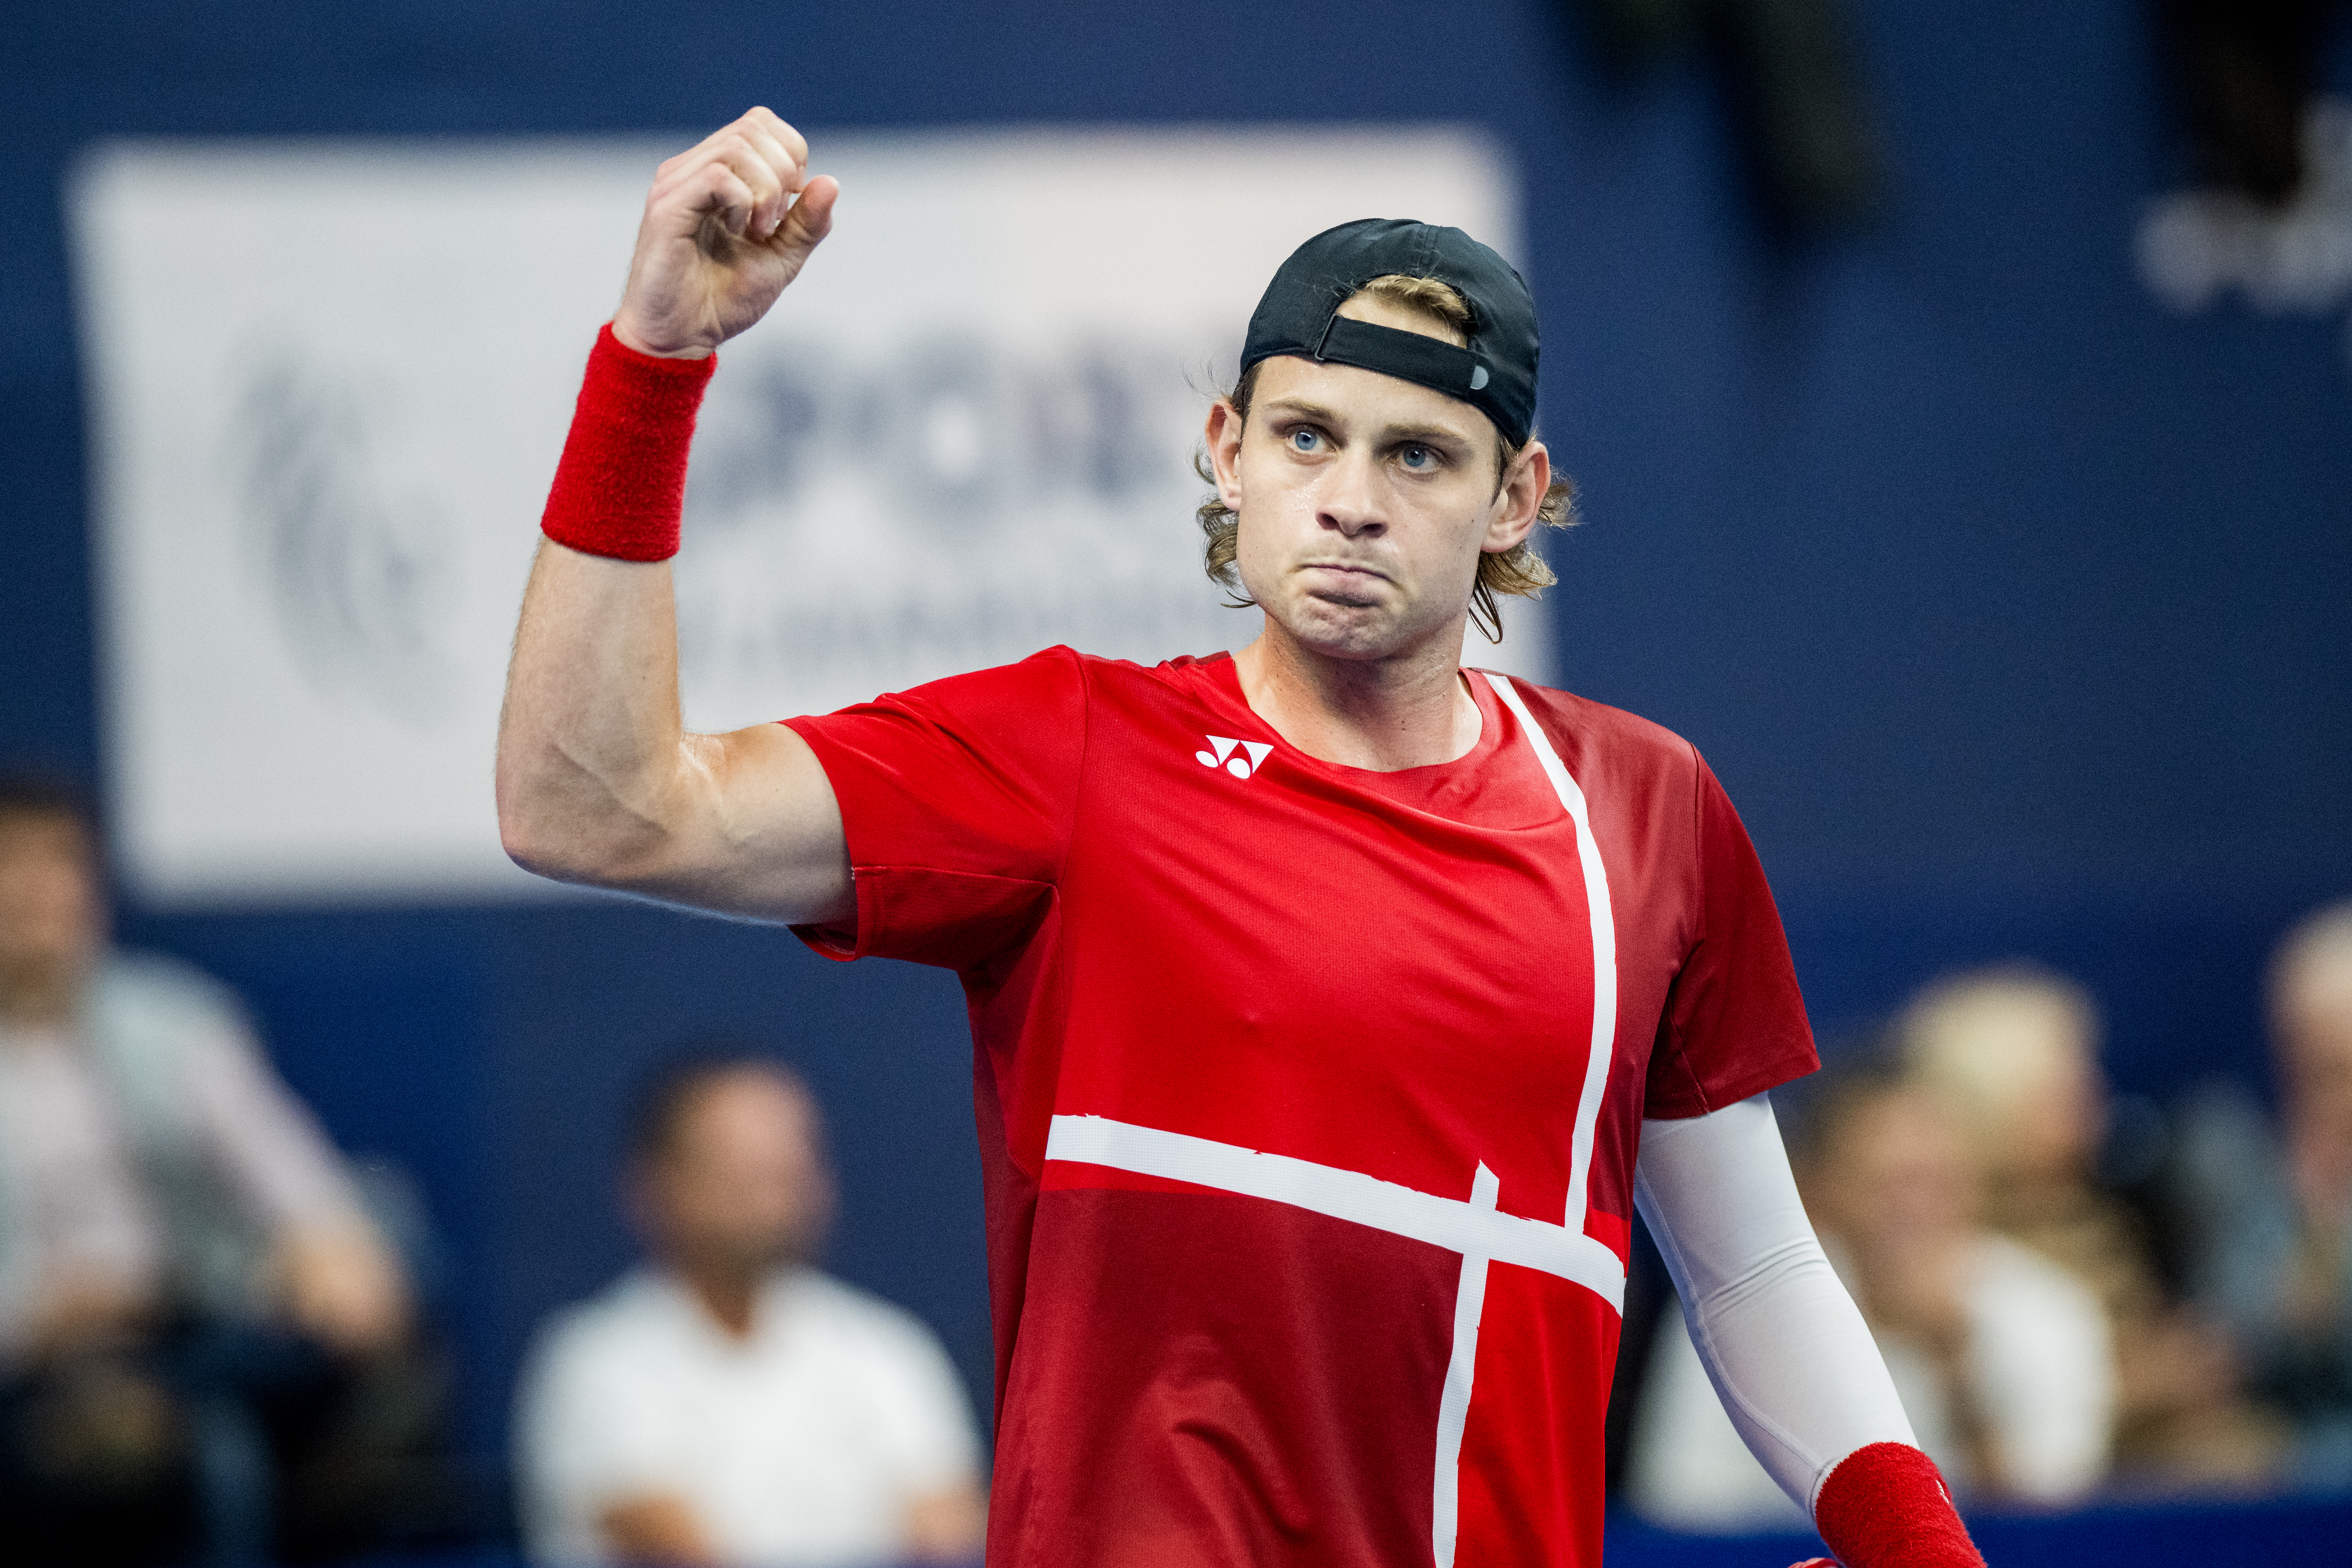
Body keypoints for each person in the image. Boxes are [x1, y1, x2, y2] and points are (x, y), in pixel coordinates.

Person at [495, 108, 1986, 1568]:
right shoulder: (1071, 755)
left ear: (1513, 498)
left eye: (1419, 456)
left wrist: (1915, 1546)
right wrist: (657, 355)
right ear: (1227, 448)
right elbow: (591, 804)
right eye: (1306, 435)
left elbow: (1755, 1265)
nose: (1348, 502)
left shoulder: (1645, 812)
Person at [0, 773, 438, 1564]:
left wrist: (325, 1243)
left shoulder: (173, 1025)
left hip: (192, 1325)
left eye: (56, 865)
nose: (34, 893)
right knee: (195, 1442)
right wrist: (39, 1317)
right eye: (10, 866)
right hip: (31, 1364)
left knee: (387, 1227)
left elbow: (293, 1177)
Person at [515, 1054, 985, 1568]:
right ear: (656, 1186)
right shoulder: (593, 1365)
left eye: (792, 1158)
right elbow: (675, 1548)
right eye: (740, 1164)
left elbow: (949, 1543)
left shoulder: (887, 1348)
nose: (777, 1185)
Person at [1626, 1063, 2112, 1530]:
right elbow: (1682, 1510)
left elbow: (2050, 1536)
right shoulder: (1739, 1304)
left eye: (1934, 1181)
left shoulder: (2053, 1315)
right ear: (1821, 1189)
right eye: (1891, 1186)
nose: (1915, 1213)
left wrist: (1956, 1373)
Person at [1901, 965, 2284, 1492]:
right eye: (2068, 1090)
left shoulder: (2107, 1214)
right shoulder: (1963, 1245)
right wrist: (2135, 1389)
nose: (2097, 1097)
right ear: (1994, 1105)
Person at [2174, 900, 2352, 1486]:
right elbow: (2229, 1334)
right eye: (2311, 1065)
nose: (2329, 1094)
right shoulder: (2244, 1169)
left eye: (2342, 1067)